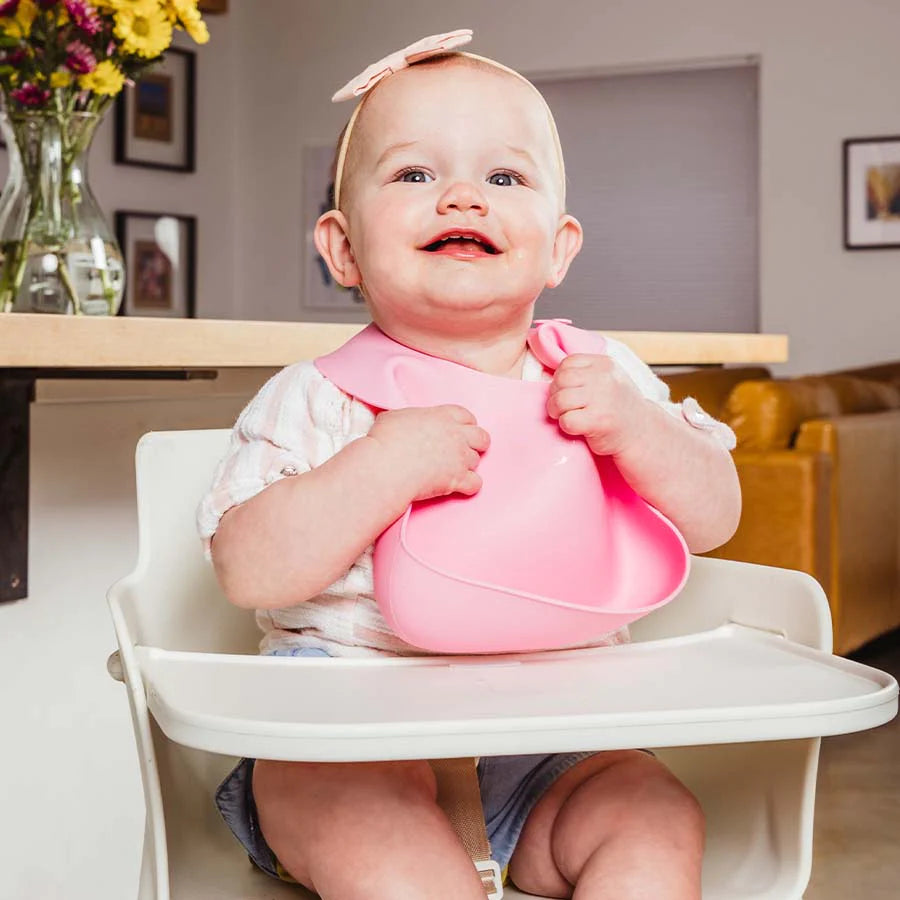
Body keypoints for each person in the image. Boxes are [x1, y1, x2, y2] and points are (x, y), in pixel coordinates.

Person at [199, 29, 741, 900]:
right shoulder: (316, 397)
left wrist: (640, 431)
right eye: (414, 175)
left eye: (504, 177)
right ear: (341, 247)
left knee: (654, 815)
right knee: (384, 851)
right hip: (348, 738)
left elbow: (715, 516)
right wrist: (379, 467)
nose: (462, 196)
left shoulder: (606, 379)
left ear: (560, 247)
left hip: (553, 744)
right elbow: (246, 569)